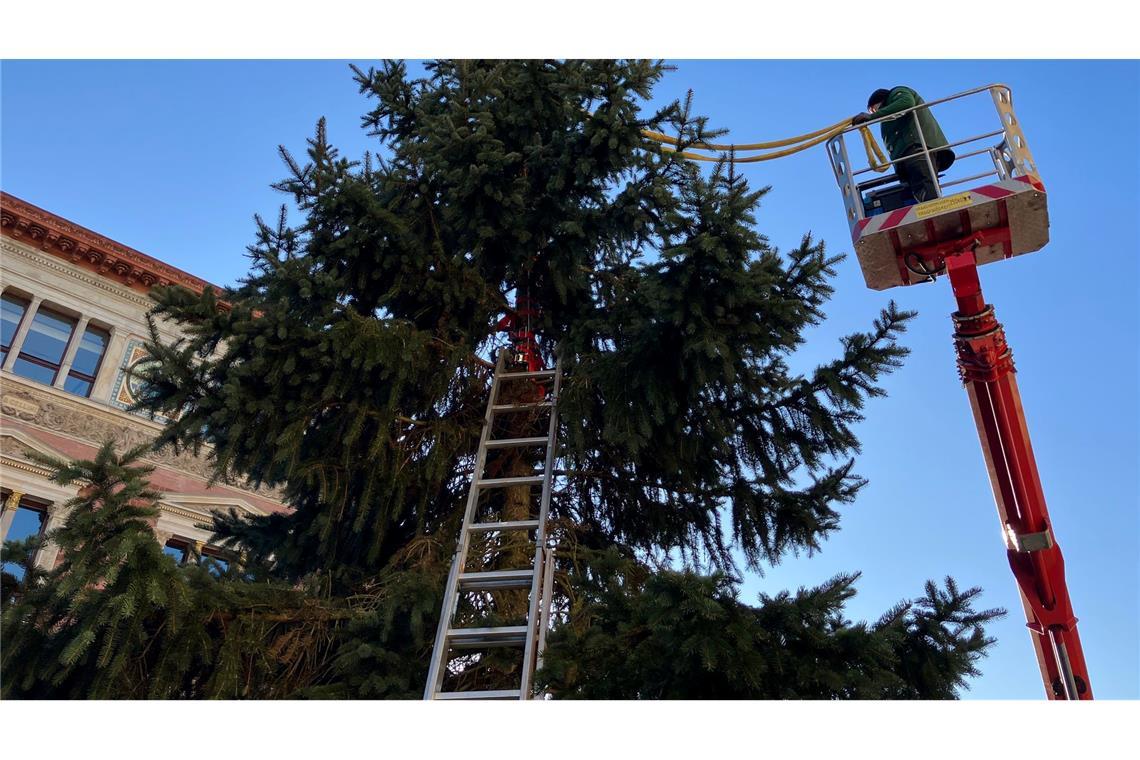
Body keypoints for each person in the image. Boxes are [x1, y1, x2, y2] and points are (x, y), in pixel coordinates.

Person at [852, 87, 955, 203]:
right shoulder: (888, 117)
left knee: (925, 185)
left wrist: (871, 117)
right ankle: (931, 207)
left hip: (916, 148)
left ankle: (935, 209)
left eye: (872, 110)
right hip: (906, 157)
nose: (873, 113)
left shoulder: (897, 93)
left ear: (874, 105)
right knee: (919, 189)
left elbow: (907, 103)